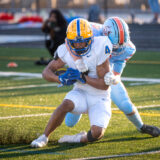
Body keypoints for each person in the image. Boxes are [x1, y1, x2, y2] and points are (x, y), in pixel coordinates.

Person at [65, 17, 160, 137]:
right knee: (70, 122)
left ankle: (142, 126)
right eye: (114, 47)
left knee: (125, 104)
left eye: (120, 46)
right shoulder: (92, 31)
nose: (117, 50)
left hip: (105, 74)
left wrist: (114, 78)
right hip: (87, 71)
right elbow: (67, 40)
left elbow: (117, 71)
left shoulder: (129, 48)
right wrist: (78, 61)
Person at [31, 18, 113, 147]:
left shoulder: (100, 47)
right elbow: (46, 72)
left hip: (99, 97)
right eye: (76, 43)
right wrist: (60, 79)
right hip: (80, 92)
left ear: (91, 39)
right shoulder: (64, 50)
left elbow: (104, 85)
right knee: (65, 104)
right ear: (69, 42)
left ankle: (76, 138)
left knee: (97, 133)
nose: (80, 46)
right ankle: (44, 137)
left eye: (83, 43)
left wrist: (84, 78)